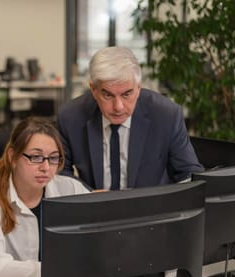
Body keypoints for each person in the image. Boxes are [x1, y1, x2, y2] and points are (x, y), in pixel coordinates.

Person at [57, 46, 203, 190]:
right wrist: (87, 196)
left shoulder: (166, 115)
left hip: (151, 209)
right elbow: (60, 174)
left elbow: (188, 173)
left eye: (127, 94)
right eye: (108, 95)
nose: (118, 107)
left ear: (138, 88)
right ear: (93, 90)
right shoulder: (70, 117)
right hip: (93, 209)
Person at [0, 117, 91, 277]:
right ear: (12, 157)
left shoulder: (70, 189)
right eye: (36, 157)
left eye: (53, 158)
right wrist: (59, 270)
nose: (46, 168)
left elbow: (99, 240)